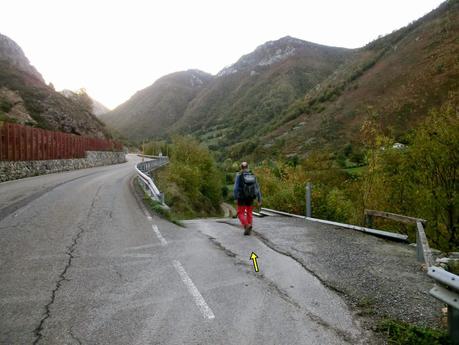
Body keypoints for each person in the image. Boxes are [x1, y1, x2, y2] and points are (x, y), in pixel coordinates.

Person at [233, 162, 262, 235]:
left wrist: (235, 197)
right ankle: (249, 228)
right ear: (248, 167)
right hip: (250, 197)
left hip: (241, 197)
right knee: (249, 213)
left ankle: (247, 225)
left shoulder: (239, 175)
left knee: (240, 213)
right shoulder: (253, 176)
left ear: (241, 167)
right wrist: (259, 199)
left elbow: (235, 188)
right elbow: (257, 188)